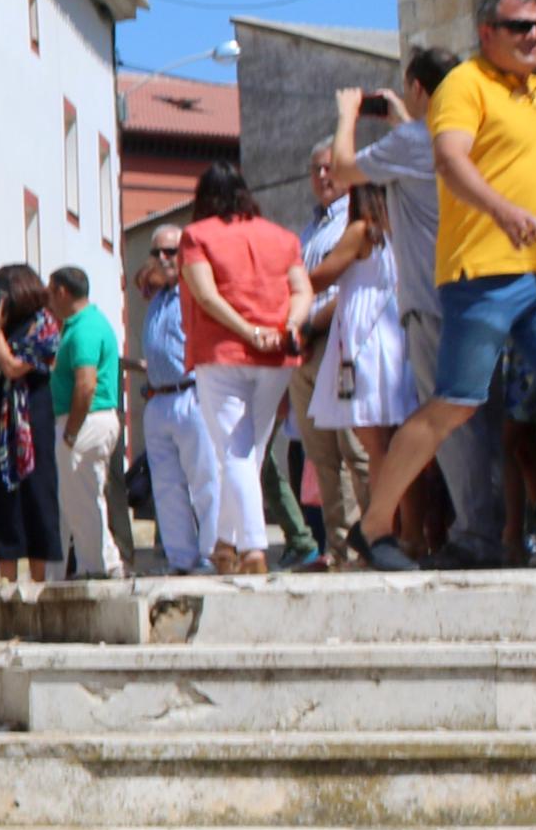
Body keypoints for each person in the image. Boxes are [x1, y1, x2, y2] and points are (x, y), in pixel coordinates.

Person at [360, 0, 536, 570]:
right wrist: (502, 210)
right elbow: (450, 161)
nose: (535, 35)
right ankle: (376, 523)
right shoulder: (465, 85)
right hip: (482, 271)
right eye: (520, 27)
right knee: (455, 405)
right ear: (488, 34)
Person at [334, 48, 504, 563]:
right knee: (484, 419)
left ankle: (475, 534)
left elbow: (344, 171)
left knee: (448, 421)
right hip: (485, 292)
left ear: (418, 89)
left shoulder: (413, 141)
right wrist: (407, 115)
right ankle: (492, 531)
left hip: (433, 297)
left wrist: (346, 113)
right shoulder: (474, 135)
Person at [177, 161, 311, 577]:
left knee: (233, 452)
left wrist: (249, 332)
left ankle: (253, 546)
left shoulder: (197, 236)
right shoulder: (282, 237)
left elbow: (206, 295)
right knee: (249, 453)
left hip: (223, 352)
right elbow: (302, 289)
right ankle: (225, 542)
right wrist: (286, 327)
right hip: (277, 355)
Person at [299, 133, 416, 561]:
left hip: (363, 344)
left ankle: (381, 531)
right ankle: (402, 530)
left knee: (373, 446)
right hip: (390, 339)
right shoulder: (397, 229)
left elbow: (318, 279)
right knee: (389, 441)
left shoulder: (359, 231)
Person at [287, 147, 381, 564]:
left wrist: (307, 326)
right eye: (315, 168)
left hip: (337, 340)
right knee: (322, 456)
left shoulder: (354, 220)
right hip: (305, 348)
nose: (323, 174)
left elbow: (342, 290)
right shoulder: (309, 231)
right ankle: (340, 548)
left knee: (355, 450)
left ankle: (374, 542)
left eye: (330, 166)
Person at [0, 265, 64, 587]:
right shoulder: (0, 328)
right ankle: (7, 581)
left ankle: (38, 581)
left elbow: (12, 367)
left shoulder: (44, 325)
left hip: (31, 422)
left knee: (35, 498)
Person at [134, 226, 222, 575]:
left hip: (191, 392)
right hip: (159, 398)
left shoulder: (194, 290)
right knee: (167, 487)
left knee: (205, 479)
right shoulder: (157, 296)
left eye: (171, 251)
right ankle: (181, 558)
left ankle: (213, 555)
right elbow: (140, 281)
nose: (163, 259)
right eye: (157, 253)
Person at [45, 265, 127, 580]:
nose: (49, 302)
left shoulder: (84, 329)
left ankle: (97, 567)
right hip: (85, 420)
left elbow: (86, 384)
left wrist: (70, 433)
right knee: (76, 498)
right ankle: (92, 565)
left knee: (81, 499)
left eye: (50, 293)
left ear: (62, 292)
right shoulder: (80, 325)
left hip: (85, 420)